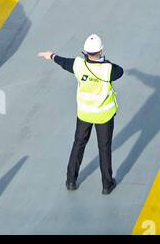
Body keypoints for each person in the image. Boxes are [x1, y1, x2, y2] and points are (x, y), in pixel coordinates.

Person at [37, 35, 124, 194]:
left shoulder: (78, 65)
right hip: (103, 116)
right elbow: (120, 71)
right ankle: (107, 184)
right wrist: (103, 61)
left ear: (85, 52)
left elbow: (63, 62)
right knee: (104, 149)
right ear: (101, 50)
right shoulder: (108, 69)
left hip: (84, 114)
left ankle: (71, 180)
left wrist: (51, 55)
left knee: (78, 144)